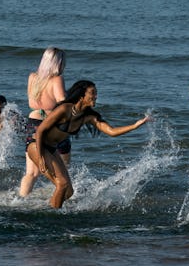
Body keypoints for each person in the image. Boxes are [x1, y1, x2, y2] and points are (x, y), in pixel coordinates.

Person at [27, 80, 151, 209]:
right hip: (37, 146)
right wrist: (41, 158)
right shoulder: (64, 109)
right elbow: (41, 130)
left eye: (96, 93)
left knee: (69, 192)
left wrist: (135, 126)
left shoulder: (88, 116)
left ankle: (44, 208)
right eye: (92, 93)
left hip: (52, 149)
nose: (96, 96)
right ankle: (53, 216)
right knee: (62, 184)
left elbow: (112, 131)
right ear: (81, 96)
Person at [20, 47, 68, 197]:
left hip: (33, 121)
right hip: (51, 124)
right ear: (57, 63)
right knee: (64, 167)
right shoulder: (57, 79)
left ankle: (20, 200)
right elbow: (62, 103)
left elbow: (31, 102)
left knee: (31, 173)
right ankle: (62, 197)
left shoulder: (33, 77)